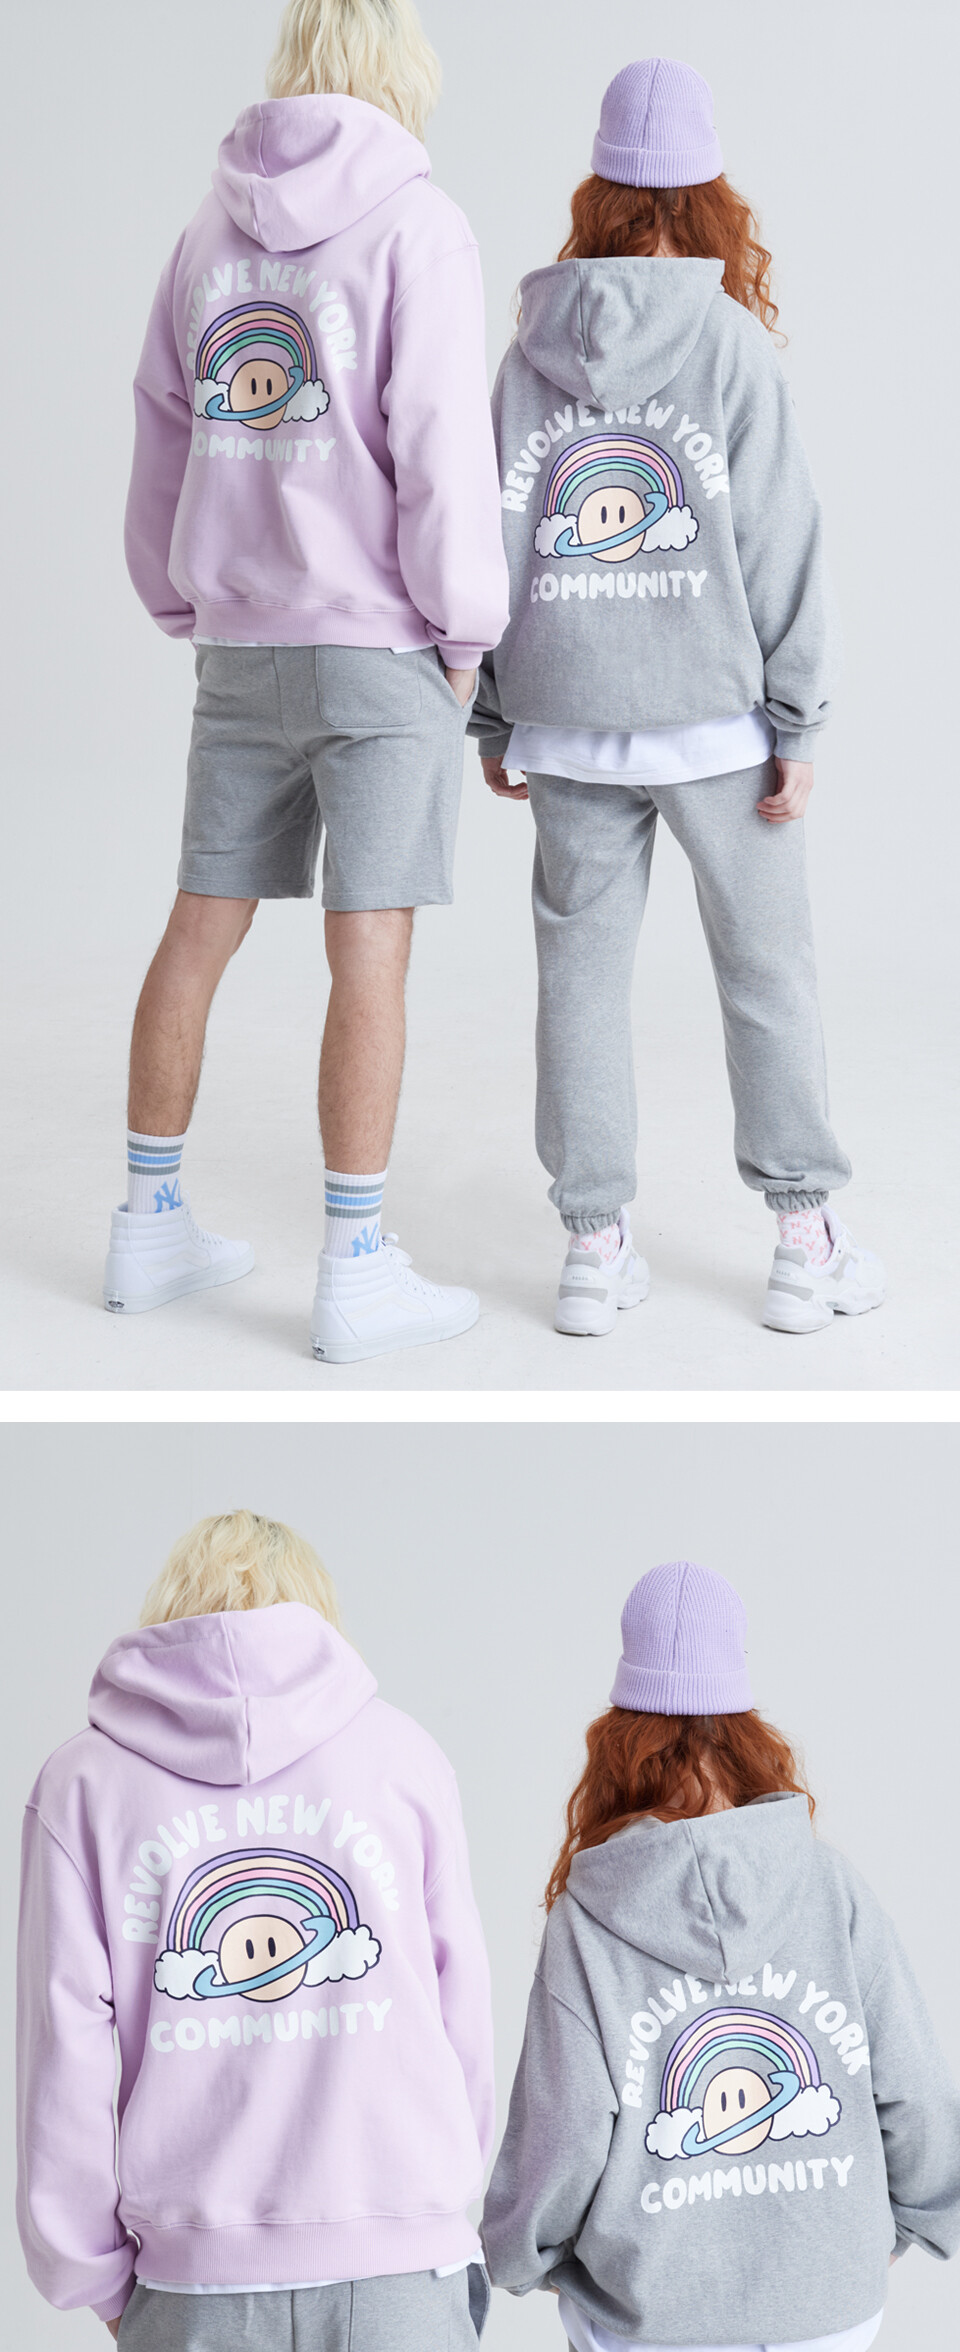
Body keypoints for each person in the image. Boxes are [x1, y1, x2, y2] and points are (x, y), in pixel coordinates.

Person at [16, 1504, 494, 2352]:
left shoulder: (82, 1785)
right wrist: (442, 2199)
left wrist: (94, 2273)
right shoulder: (401, 1757)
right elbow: (462, 2009)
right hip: (395, 2258)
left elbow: (63, 2045)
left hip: (194, 2281)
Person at [107, 0, 507, 1358]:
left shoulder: (207, 233)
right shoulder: (418, 224)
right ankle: (354, 1266)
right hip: (380, 645)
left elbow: (165, 417)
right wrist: (466, 631)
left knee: (199, 923)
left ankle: (148, 1223)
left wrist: (176, 589)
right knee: (370, 944)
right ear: (403, 69)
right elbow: (439, 439)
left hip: (239, 641)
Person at [476, 50, 883, 1342]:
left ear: (598, 191)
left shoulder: (528, 349)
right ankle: (804, 1244)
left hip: (566, 717)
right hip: (717, 723)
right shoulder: (729, 343)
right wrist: (799, 719)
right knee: (768, 974)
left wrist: (494, 707)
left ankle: (593, 1252)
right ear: (710, 194)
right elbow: (782, 539)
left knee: (580, 982)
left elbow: (491, 535)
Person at [484, 1558, 960, 2352]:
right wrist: (917, 2214)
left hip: (652, 2332)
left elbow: (563, 2128)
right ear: (748, 1724)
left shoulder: (591, 1916)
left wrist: (522, 2251)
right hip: (817, 2316)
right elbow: (911, 2081)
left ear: (621, 1731)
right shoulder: (827, 1884)